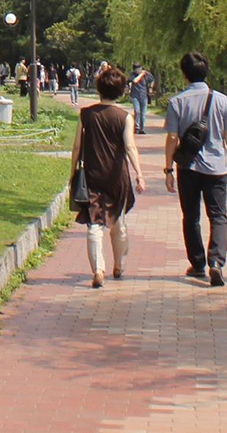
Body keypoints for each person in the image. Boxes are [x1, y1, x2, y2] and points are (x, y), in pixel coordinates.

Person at [163, 51, 227, 286]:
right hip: (217, 168)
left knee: (191, 216)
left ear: (185, 75)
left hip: (188, 168)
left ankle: (197, 263)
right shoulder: (221, 100)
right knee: (217, 215)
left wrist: (168, 170)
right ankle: (216, 262)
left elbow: (173, 138)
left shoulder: (177, 102)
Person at [72, 65, 143, 287]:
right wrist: (139, 174)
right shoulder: (125, 117)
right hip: (117, 177)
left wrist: (72, 173)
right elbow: (130, 147)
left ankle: (98, 270)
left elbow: (76, 147)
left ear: (99, 89)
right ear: (121, 91)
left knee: (95, 224)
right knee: (118, 222)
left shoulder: (86, 114)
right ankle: (118, 265)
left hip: (92, 175)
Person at [128, 64, 153, 135]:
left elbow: (152, 80)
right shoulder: (132, 75)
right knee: (137, 111)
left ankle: (142, 129)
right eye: (136, 69)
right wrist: (141, 74)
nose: (138, 70)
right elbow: (135, 81)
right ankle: (137, 127)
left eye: (139, 68)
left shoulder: (146, 74)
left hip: (143, 95)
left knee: (143, 113)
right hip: (135, 96)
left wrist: (150, 88)